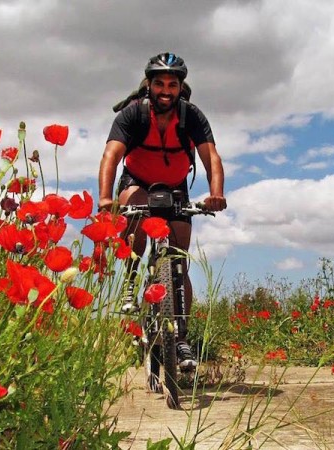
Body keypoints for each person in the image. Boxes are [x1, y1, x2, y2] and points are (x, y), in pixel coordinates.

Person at [98, 52, 227, 371]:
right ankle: (131, 282)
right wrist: (104, 198)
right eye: (159, 84)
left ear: (180, 87)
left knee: (179, 261)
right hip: (138, 181)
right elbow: (111, 157)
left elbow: (211, 158)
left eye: (172, 84)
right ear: (150, 85)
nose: (165, 90)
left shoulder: (192, 116)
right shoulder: (133, 114)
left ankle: (180, 336)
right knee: (135, 210)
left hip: (176, 188)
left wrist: (216, 194)